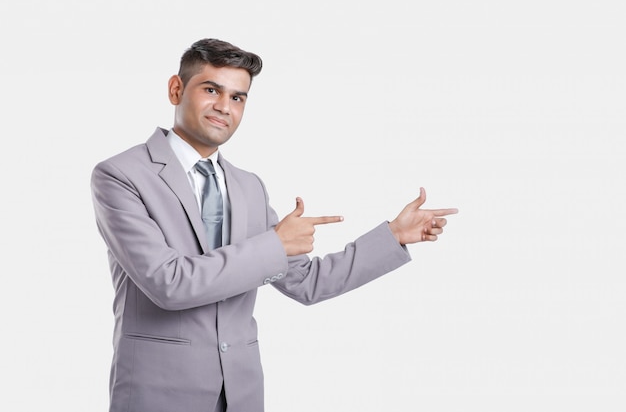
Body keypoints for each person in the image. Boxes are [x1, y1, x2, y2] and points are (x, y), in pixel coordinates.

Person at [91, 38, 458, 412]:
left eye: (238, 97)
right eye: (211, 89)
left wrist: (393, 237)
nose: (224, 106)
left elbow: (306, 282)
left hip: (241, 394)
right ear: (176, 89)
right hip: (159, 394)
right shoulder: (121, 175)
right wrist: (276, 246)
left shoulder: (248, 186)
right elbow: (168, 283)